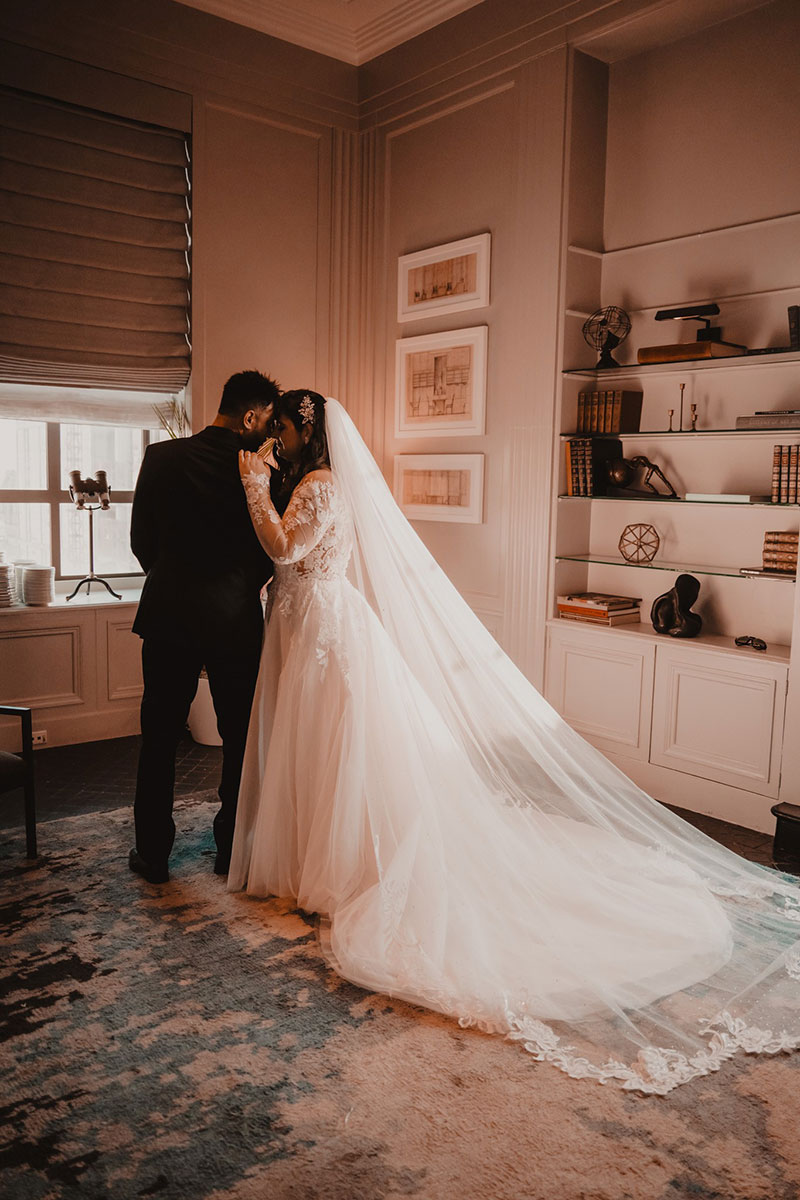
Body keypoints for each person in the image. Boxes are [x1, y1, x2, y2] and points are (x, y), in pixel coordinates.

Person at [229, 391, 800, 1095]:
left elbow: (285, 546)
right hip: (303, 622)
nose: (277, 440)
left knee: (329, 742)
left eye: (283, 428)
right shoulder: (314, 481)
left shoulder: (318, 485)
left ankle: (337, 865)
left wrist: (254, 486)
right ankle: (306, 855)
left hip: (321, 626)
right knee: (312, 743)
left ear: (305, 432)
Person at [129, 369, 279, 883]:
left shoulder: (161, 458)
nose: (269, 436)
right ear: (251, 416)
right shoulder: (261, 473)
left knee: (158, 737)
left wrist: (174, 580)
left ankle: (152, 854)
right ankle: (228, 848)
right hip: (234, 619)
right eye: (267, 424)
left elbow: (140, 542)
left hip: (168, 613)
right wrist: (235, 587)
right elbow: (268, 552)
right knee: (239, 738)